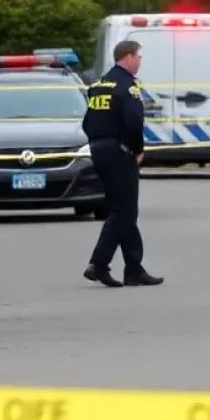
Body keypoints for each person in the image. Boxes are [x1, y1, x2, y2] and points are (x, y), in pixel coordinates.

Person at [82, 40, 163, 288]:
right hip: (119, 151)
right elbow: (133, 122)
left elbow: (87, 122)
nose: (139, 61)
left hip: (98, 148)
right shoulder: (128, 87)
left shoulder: (98, 85)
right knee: (123, 211)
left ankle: (134, 268)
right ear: (127, 57)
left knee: (124, 208)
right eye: (138, 56)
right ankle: (98, 263)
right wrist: (137, 149)